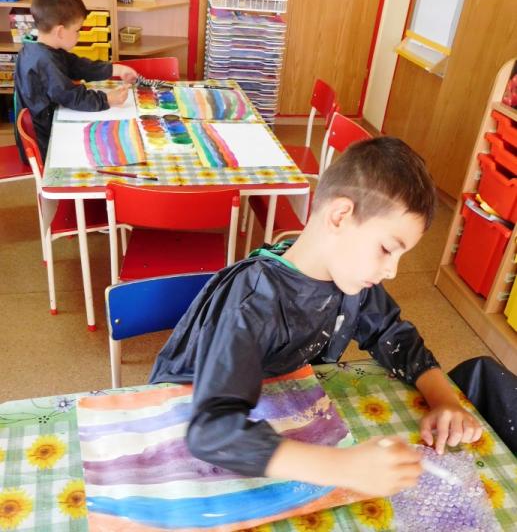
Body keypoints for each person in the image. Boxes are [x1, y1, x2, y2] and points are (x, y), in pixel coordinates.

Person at [149, 136, 483, 498]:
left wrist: (444, 401)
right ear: (339, 216)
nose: (392, 270)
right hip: (185, 425)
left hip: (272, 413)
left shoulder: (352, 281)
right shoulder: (252, 300)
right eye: (387, 249)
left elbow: (394, 336)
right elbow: (211, 431)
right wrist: (342, 466)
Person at [14, 0, 137, 162]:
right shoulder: (44, 61)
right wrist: (107, 99)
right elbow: (71, 96)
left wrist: (114, 69)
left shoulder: (39, 46)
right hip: (44, 146)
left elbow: (76, 65)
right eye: (77, 30)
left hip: (47, 127)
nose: (79, 35)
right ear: (60, 31)